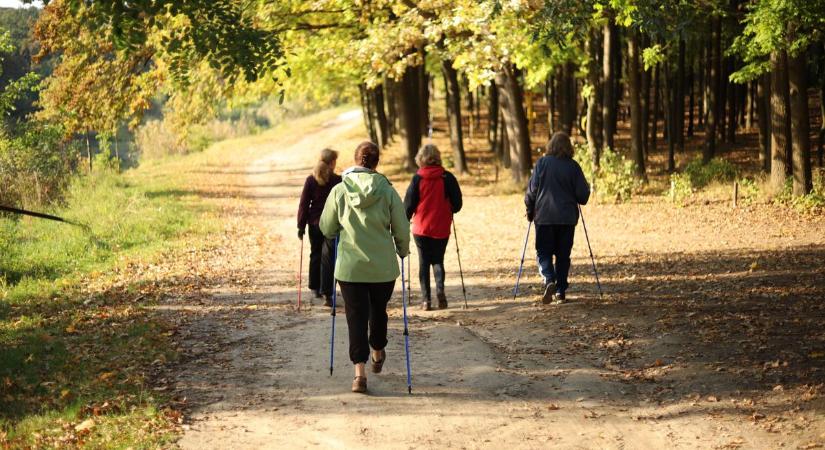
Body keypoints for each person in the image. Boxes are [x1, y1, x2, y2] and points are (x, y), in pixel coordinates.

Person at [320, 141, 410, 393]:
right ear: (376, 163)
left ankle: (359, 374)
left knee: (355, 317)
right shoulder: (387, 190)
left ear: (355, 159)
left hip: (350, 268)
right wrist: (402, 249)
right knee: (378, 311)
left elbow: (326, 227)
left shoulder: (339, 190)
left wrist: (338, 229)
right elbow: (401, 227)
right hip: (383, 268)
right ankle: (377, 351)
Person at [524, 132, 590, 305]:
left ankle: (548, 279)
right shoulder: (573, 167)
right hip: (567, 218)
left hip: (544, 217)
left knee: (543, 251)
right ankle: (560, 291)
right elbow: (583, 196)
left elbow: (531, 191)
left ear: (551, 145)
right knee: (563, 255)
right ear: (569, 147)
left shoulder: (542, 163)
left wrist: (529, 210)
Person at [403, 144, 463, 311]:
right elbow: (457, 204)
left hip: (421, 227)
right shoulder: (447, 177)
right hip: (441, 226)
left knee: (423, 262)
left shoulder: (417, 178)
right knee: (438, 260)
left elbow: (408, 205)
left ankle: (426, 300)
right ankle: (440, 293)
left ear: (420, 159)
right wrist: (449, 208)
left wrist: (405, 219)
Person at [297, 149, 341, 307]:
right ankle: (327, 293)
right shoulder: (337, 180)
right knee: (329, 258)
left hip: (314, 224)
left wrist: (301, 226)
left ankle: (314, 288)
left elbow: (304, 204)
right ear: (332, 162)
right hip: (331, 224)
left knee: (315, 254)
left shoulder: (311, 179)